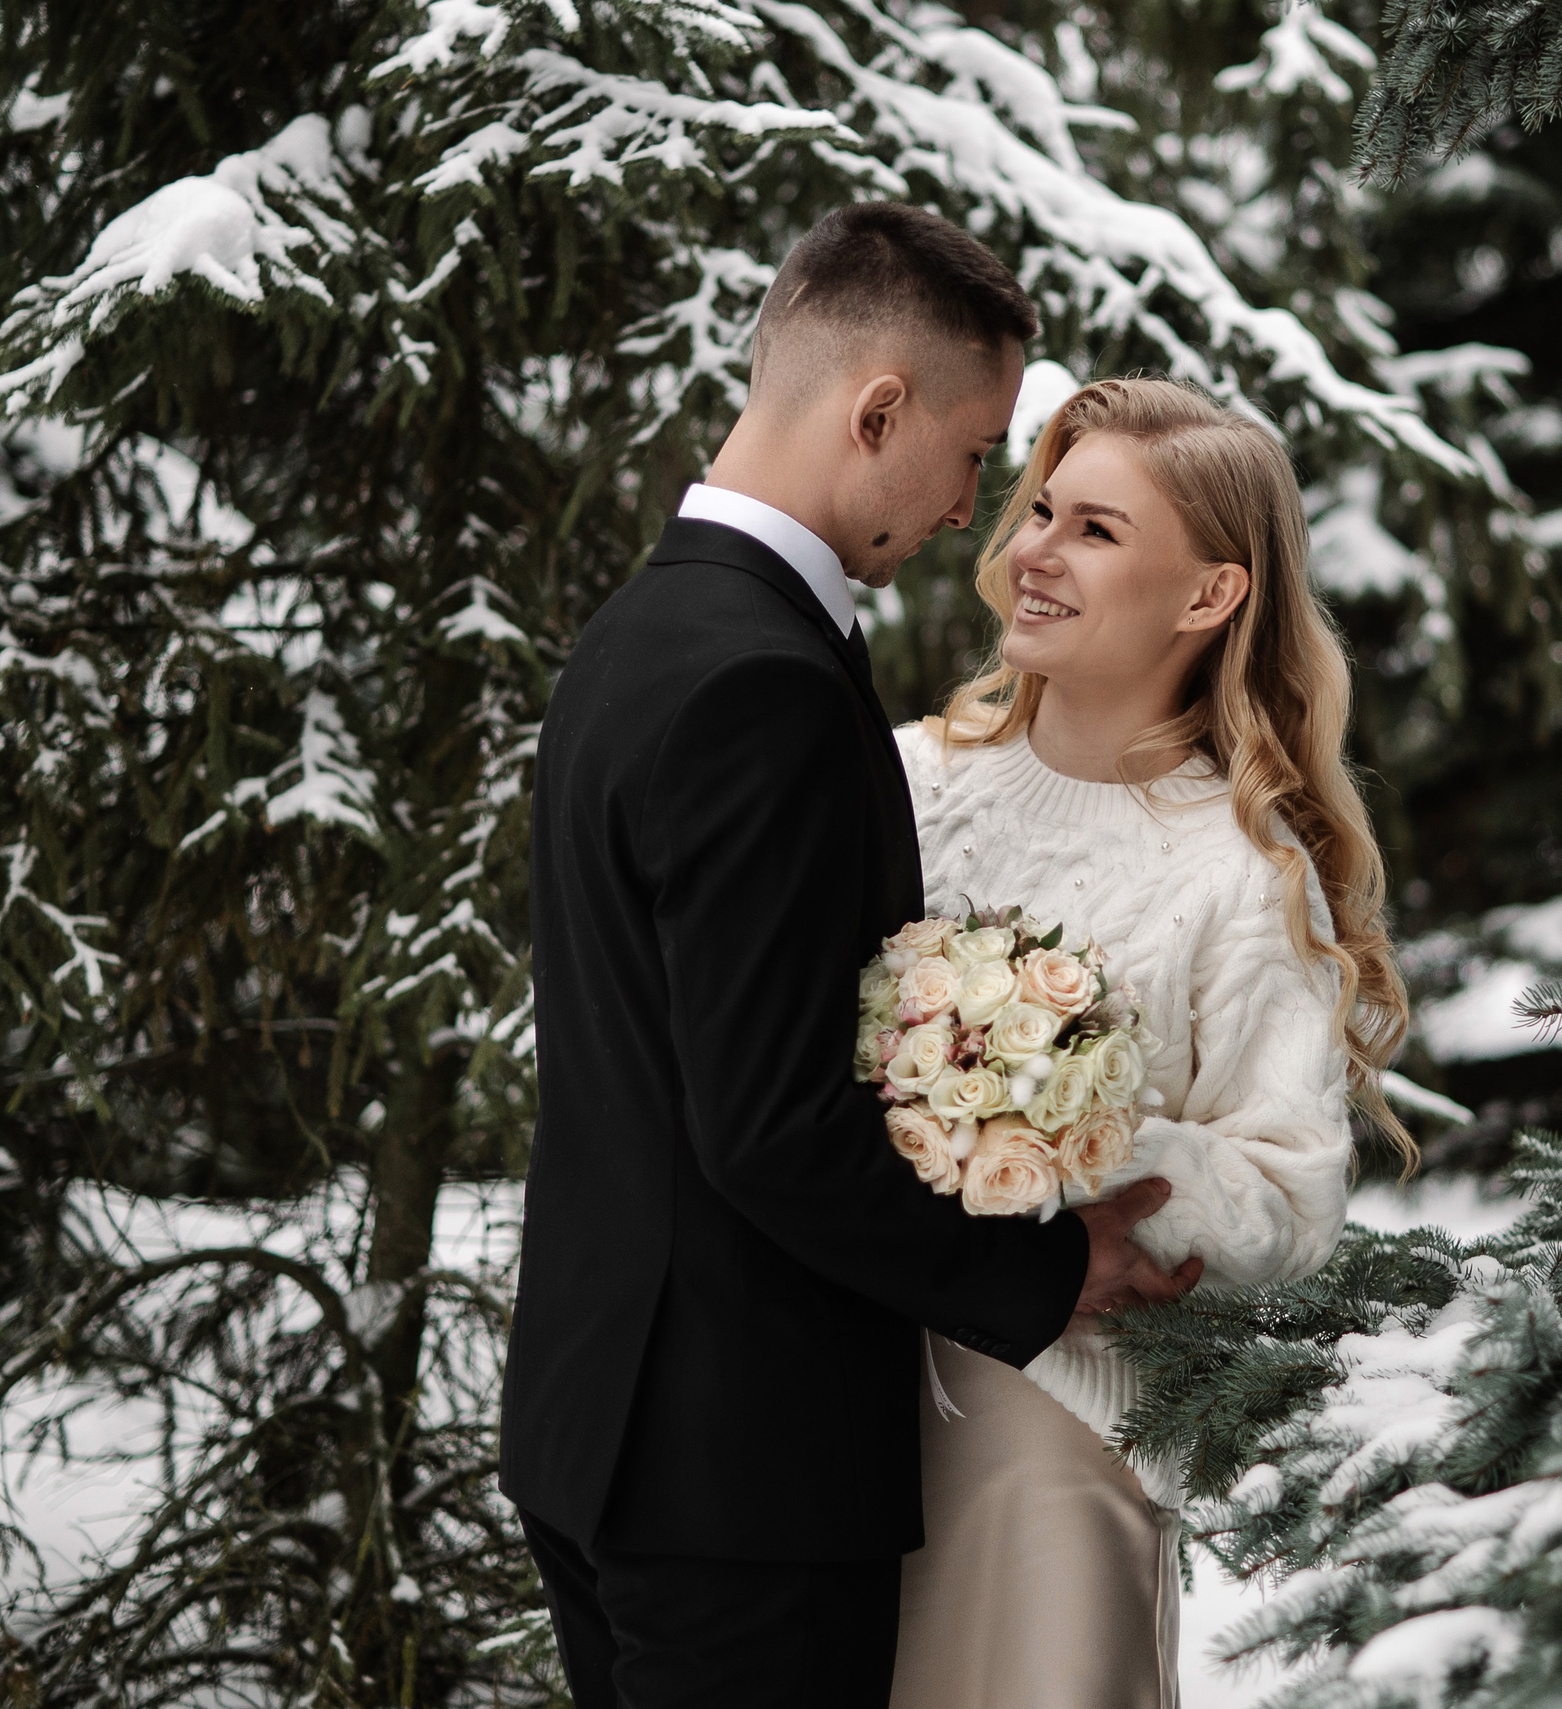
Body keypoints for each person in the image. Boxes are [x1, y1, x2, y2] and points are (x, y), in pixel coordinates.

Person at [500, 207, 1201, 1709]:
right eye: (970, 451)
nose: (971, 511)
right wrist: (1044, 1262)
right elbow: (768, 1128)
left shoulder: (639, 632)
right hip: (735, 1478)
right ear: (878, 410)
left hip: (598, 1422)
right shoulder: (764, 684)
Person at [887, 376, 1417, 1708]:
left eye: (1098, 532)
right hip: (824, 1408)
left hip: (1048, 1443)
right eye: (1041, 510)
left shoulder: (1242, 875)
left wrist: (1075, 1120)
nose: (1033, 552)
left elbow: (1288, 1201)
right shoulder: (900, 781)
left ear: (1210, 596)